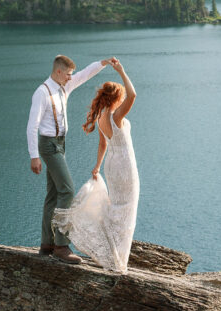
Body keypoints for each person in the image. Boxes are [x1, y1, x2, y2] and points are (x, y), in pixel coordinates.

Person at [52, 58, 138, 273]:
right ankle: (119, 261)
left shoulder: (102, 117)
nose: (124, 98)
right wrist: (122, 71)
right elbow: (133, 95)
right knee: (127, 209)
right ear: (116, 98)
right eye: (121, 96)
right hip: (125, 167)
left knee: (117, 208)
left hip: (111, 166)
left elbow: (102, 144)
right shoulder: (117, 116)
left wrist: (97, 167)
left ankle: (112, 253)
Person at [27, 54, 116, 263]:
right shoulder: (42, 92)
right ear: (58, 72)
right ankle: (61, 244)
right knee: (67, 189)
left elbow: (85, 74)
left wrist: (103, 63)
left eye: (71, 75)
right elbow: (32, 126)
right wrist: (34, 156)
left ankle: (46, 244)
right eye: (68, 74)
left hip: (60, 143)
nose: (70, 78)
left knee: (53, 194)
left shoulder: (64, 86)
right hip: (48, 145)